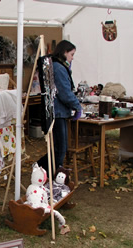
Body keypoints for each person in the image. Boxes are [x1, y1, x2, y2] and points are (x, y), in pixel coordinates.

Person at [38, 40, 82, 174]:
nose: (72, 58)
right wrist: (77, 106)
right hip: (57, 112)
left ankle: (46, 170)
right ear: (64, 52)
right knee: (60, 147)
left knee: (59, 147)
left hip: (58, 111)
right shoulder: (58, 67)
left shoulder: (57, 66)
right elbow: (65, 93)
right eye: (71, 54)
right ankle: (47, 171)